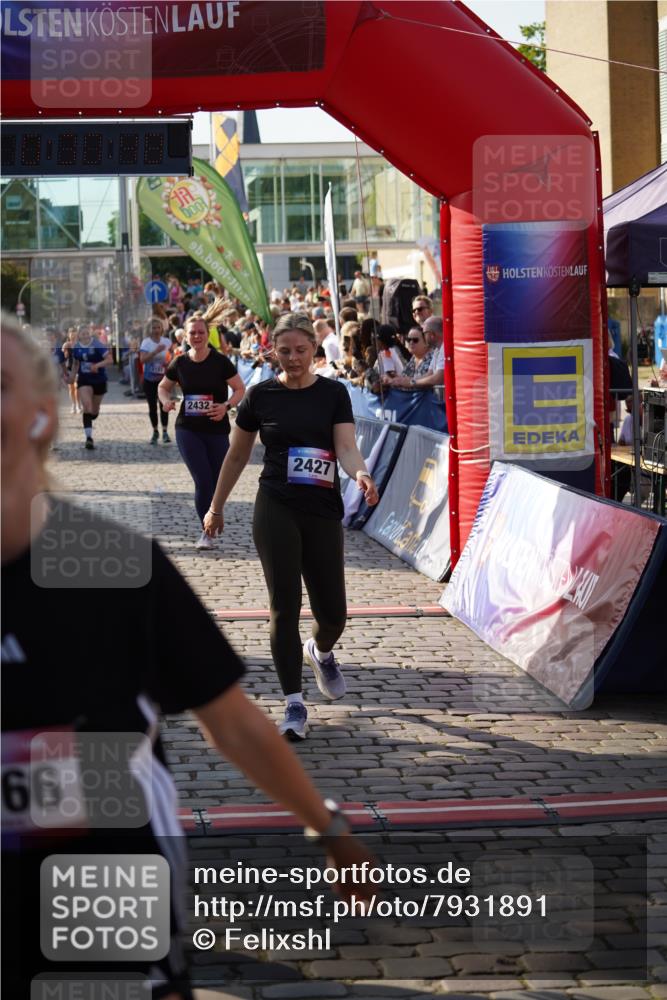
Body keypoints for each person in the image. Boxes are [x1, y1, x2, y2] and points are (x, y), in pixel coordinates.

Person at [1, 312, 375, 1000]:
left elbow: (227, 720)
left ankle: (314, 662)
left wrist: (326, 826)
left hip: (101, 888)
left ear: (41, 417)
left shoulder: (109, 565)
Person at [203, 313, 379, 741]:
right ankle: (293, 704)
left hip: (321, 509)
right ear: (273, 351)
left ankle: (320, 651)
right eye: (285, 351)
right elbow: (236, 457)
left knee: (332, 612)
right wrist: (216, 507)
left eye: (301, 350)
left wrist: (360, 473)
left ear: (315, 351)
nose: (294, 359)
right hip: (276, 507)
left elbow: (346, 447)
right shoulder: (260, 397)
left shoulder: (334, 393)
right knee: (284, 606)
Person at [158, 302, 245, 550]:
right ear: (185, 336)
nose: (196, 336)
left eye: (201, 333)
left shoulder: (220, 362)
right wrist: (166, 402)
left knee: (218, 480)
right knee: (203, 480)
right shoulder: (180, 363)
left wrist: (225, 406)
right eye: (192, 333)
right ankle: (205, 532)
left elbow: (240, 389)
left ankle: (214, 512)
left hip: (217, 429)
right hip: (188, 429)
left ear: (208, 335)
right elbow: (163, 387)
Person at [70, 322, 112, 450]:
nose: (85, 335)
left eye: (87, 332)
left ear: (90, 333)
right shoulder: (76, 347)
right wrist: (72, 377)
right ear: (79, 335)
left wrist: (97, 366)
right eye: (83, 333)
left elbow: (110, 360)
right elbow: (76, 364)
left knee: (94, 411)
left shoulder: (98, 345)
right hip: (84, 380)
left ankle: (93, 414)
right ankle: (89, 438)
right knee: (86, 406)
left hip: (99, 380)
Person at [140, 317, 173, 445]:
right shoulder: (146, 342)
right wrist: (155, 352)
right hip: (150, 379)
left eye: (158, 327)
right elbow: (142, 360)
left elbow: (172, 357)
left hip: (164, 380)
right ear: (150, 329)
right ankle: (155, 431)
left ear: (162, 329)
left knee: (164, 405)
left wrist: (168, 363)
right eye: (154, 328)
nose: (156, 330)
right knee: (152, 407)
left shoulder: (167, 341)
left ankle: (165, 431)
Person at [383, 325, 434, 391]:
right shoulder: (413, 359)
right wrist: (392, 379)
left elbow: (427, 381)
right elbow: (405, 379)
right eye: (409, 339)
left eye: (415, 340)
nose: (411, 342)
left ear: (426, 342)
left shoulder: (433, 359)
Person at [62, 324, 80, 413]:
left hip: (78, 368)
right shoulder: (66, 345)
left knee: (77, 387)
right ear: (69, 335)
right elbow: (64, 356)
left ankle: (78, 405)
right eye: (72, 334)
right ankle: (73, 405)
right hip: (69, 367)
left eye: (75, 334)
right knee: (71, 388)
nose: (73, 336)